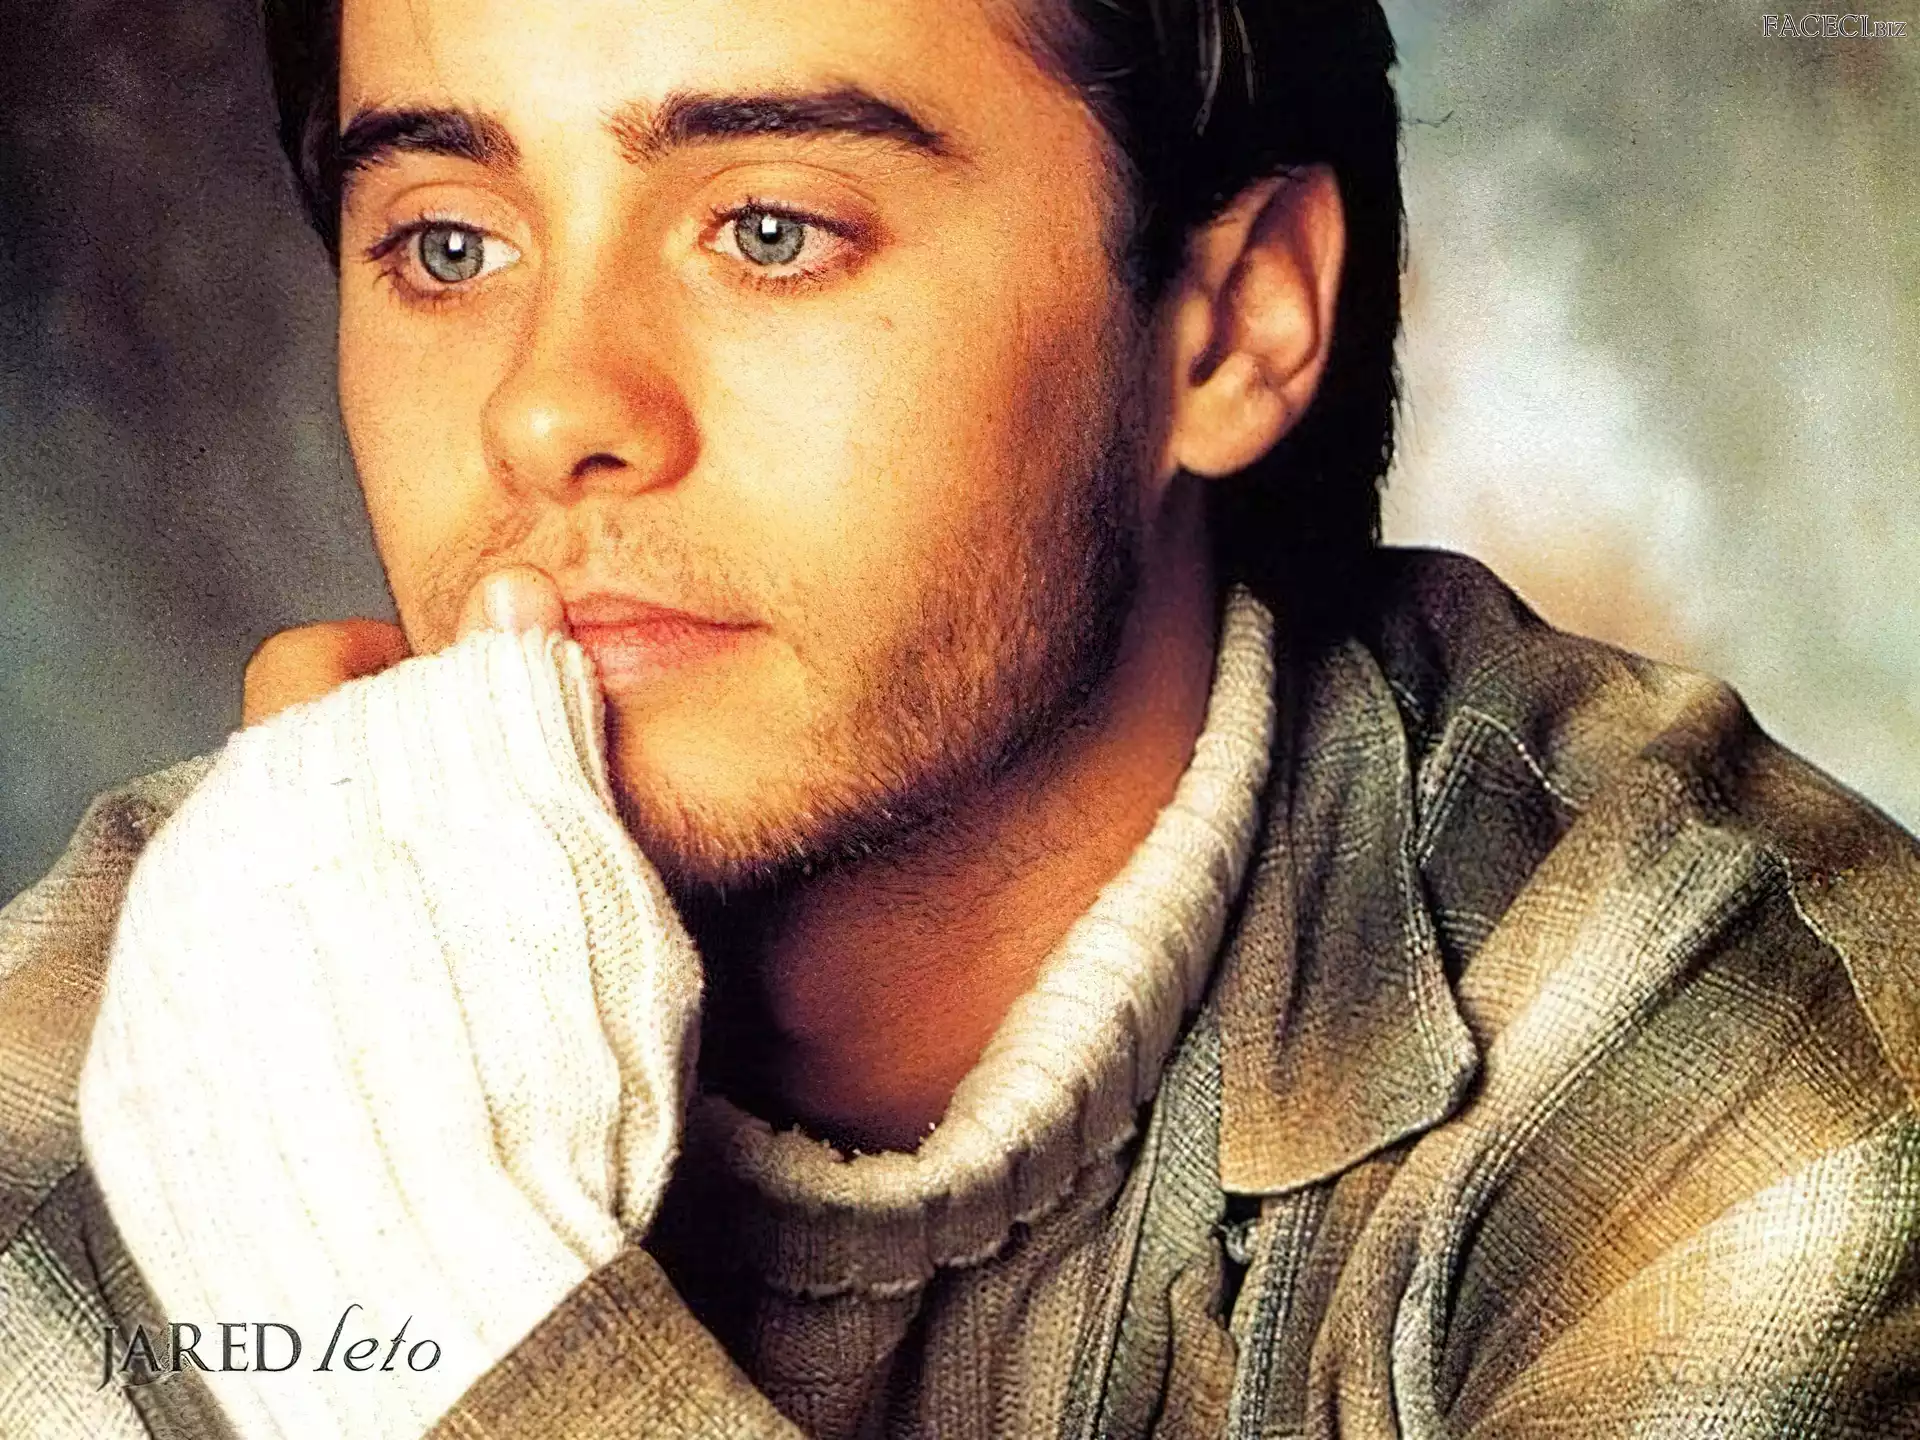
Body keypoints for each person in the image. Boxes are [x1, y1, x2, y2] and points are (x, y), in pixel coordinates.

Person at [3, 0, 1918, 1435]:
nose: (546, 408)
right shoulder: (168, 998)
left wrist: (436, 1313)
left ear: (1235, 323)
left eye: (770, 228)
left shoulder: (1753, 1064)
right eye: (448, 242)